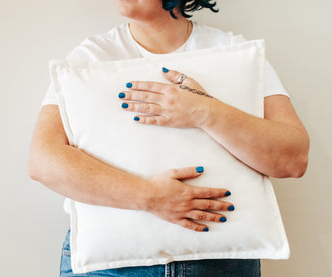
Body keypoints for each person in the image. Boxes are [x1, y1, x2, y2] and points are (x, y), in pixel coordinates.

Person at [28, 0, 310, 276]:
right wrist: (151, 197)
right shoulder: (90, 57)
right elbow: (43, 160)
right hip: (111, 268)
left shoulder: (235, 52)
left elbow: (293, 159)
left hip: (221, 264)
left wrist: (204, 111)